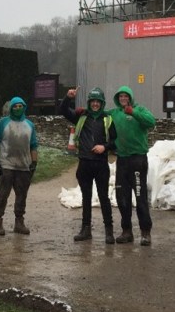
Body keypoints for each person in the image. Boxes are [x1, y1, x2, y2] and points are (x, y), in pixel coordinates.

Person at [59, 86, 117, 244]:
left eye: (98, 102)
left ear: (102, 103)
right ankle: (85, 230)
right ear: (89, 102)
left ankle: (109, 231)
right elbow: (63, 110)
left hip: (101, 164)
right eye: (93, 101)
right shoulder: (81, 117)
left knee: (104, 197)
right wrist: (68, 97)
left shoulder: (108, 119)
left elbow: (114, 141)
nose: (95, 104)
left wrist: (104, 147)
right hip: (84, 163)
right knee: (86, 197)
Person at [109, 85, 156, 246]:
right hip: (122, 160)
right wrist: (84, 110)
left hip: (138, 159)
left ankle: (145, 232)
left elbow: (151, 122)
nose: (123, 99)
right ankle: (127, 231)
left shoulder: (140, 110)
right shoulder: (115, 113)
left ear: (130, 97)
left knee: (139, 195)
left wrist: (133, 113)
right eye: (120, 96)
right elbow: (98, 114)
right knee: (122, 197)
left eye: (125, 96)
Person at [0, 96, 38, 236]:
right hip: (6, 165)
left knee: (22, 195)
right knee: (2, 194)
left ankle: (19, 222)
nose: (17, 108)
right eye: (15, 106)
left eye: (20, 106)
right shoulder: (3, 123)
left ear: (24, 107)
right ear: (11, 108)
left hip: (24, 166)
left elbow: (34, 146)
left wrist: (34, 162)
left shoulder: (30, 125)